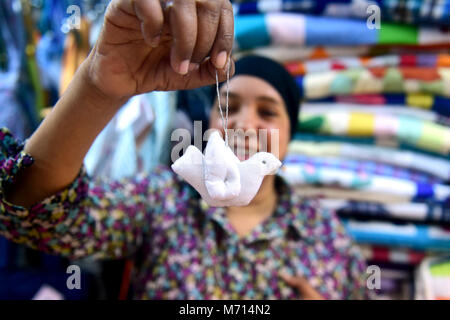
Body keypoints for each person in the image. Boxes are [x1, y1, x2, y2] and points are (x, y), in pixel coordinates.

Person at [0, 0, 368, 299]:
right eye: (230, 106)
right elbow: (34, 214)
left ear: (291, 133)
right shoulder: (159, 201)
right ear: (209, 117)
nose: (242, 123)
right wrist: (97, 86)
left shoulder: (325, 236)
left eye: (268, 112)